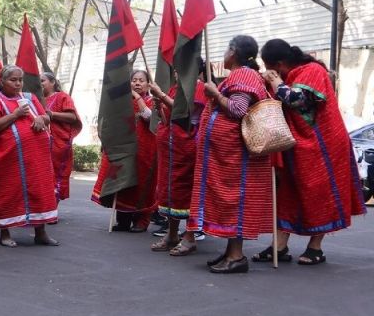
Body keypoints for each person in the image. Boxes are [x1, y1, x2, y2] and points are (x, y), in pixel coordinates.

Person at [258, 39, 366, 265]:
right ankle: (279, 246)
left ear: (279, 63)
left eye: (270, 67)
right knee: (286, 194)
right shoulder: (288, 76)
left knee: (321, 194)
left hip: (324, 146)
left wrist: (277, 84)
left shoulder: (312, 71)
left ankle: (315, 248)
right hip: (293, 147)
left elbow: (297, 100)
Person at [188, 35, 272, 274]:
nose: (223, 54)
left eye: (226, 48)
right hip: (225, 156)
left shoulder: (244, 74)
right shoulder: (241, 75)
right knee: (227, 201)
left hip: (237, 159)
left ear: (233, 52)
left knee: (235, 200)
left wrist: (215, 94)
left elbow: (238, 109)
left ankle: (236, 256)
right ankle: (229, 252)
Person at [0, 65, 59, 247]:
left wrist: (42, 119)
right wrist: (16, 115)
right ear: (2, 82)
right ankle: (5, 234)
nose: (18, 84)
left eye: (20, 80)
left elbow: (46, 117)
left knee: (38, 191)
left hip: (36, 158)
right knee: (8, 193)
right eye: (13, 80)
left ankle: (40, 233)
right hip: (8, 160)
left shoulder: (30, 97)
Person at [149, 59, 207, 255]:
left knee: (188, 191)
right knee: (169, 190)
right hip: (170, 151)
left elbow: (185, 114)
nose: (176, 73)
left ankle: (189, 237)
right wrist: (160, 106)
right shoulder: (175, 89)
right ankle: (172, 234)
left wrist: (162, 95)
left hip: (187, 150)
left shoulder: (199, 88)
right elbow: (169, 118)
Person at [92, 69, 157, 232]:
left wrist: (137, 97)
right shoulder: (123, 102)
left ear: (148, 84)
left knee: (141, 184)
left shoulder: (152, 100)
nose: (137, 83)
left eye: (141, 80)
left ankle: (142, 221)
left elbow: (149, 117)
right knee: (122, 182)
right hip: (124, 149)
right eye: (134, 80)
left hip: (145, 151)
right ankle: (123, 220)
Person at [41, 72, 82, 202]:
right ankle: (44, 208)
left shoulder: (62, 97)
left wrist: (52, 114)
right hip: (40, 144)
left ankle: (53, 207)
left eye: (42, 81)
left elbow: (72, 117)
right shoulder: (36, 99)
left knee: (56, 174)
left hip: (58, 144)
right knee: (42, 175)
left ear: (53, 82)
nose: (39, 84)